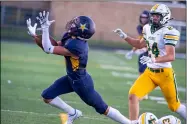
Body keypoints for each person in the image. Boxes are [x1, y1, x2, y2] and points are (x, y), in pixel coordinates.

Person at [27, 11, 136, 124]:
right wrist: (35, 35)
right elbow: (53, 46)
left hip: (81, 83)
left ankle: (130, 123)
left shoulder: (77, 46)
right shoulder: (70, 37)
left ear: (81, 31)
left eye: (76, 24)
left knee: (102, 108)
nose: (72, 24)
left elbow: (48, 49)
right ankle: (73, 113)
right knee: (47, 96)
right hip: (71, 78)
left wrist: (45, 28)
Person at [113, 4, 186, 122]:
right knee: (133, 95)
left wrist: (153, 59)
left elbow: (171, 56)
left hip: (164, 74)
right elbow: (139, 44)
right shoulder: (147, 28)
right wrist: (125, 36)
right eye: (153, 15)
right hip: (150, 72)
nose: (154, 18)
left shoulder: (169, 31)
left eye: (157, 16)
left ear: (165, 17)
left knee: (174, 106)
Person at [125, 10, 150, 100]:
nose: (143, 19)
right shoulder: (140, 27)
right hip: (145, 51)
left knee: (145, 72)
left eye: (145, 17)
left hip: (153, 51)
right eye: (142, 17)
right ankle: (144, 92)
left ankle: (143, 92)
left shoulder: (150, 27)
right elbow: (140, 40)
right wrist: (133, 51)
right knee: (141, 70)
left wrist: (146, 48)